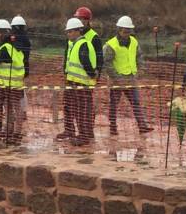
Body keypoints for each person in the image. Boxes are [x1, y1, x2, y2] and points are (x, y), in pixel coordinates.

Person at [103, 15, 153, 136]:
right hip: (117, 81)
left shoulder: (134, 42)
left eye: (128, 31)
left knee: (135, 102)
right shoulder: (111, 45)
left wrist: (141, 70)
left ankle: (142, 126)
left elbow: (139, 56)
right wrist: (116, 78)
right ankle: (113, 127)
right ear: (119, 30)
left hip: (131, 79)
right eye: (125, 31)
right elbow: (107, 63)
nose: (127, 33)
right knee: (114, 104)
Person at [57, 17, 97, 146]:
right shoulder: (73, 44)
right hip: (72, 81)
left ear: (78, 31)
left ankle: (84, 136)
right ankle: (70, 131)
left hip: (81, 83)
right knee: (69, 107)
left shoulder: (83, 44)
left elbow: (86, 62)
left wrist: (92, 75)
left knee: (82, 110)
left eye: (70, 31)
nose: (68, 34)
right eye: (67, 32)